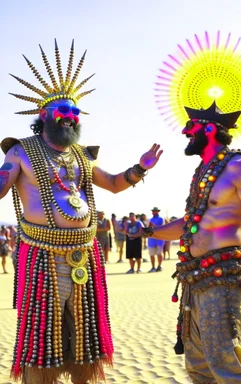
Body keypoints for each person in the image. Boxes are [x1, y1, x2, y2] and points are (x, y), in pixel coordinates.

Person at [0, 40, 163, 384]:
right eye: (64, 110)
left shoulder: (83, 156)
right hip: (42, 253)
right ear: (43, 114)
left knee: (85, 332)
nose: (71, 117)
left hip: (85, 254)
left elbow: (115, 183)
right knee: (43, 332)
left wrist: (140, 168)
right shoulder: (20, 152)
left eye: (75, 112)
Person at [143, 101, 241, 383]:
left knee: (226, 364)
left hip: (222, 281)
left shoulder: (238, 168)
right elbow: (189, 224)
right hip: (192, 282)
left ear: (209, 128)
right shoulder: (202, 173)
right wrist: (148, 232)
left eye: (191, 126)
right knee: (198, 366)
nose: (184, 131)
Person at [147, 207, 165, 272]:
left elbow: (160, 227)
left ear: (158, 211)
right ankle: (153, 267)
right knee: (151, 254)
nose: (154, 212)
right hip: (151, 239)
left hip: (159, 238)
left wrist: (153, 224)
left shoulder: (161, 219)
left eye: (155, 211)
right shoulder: (150, 219)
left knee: (159, 253)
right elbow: (148, 228)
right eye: (153, 211)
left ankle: (159, 265)